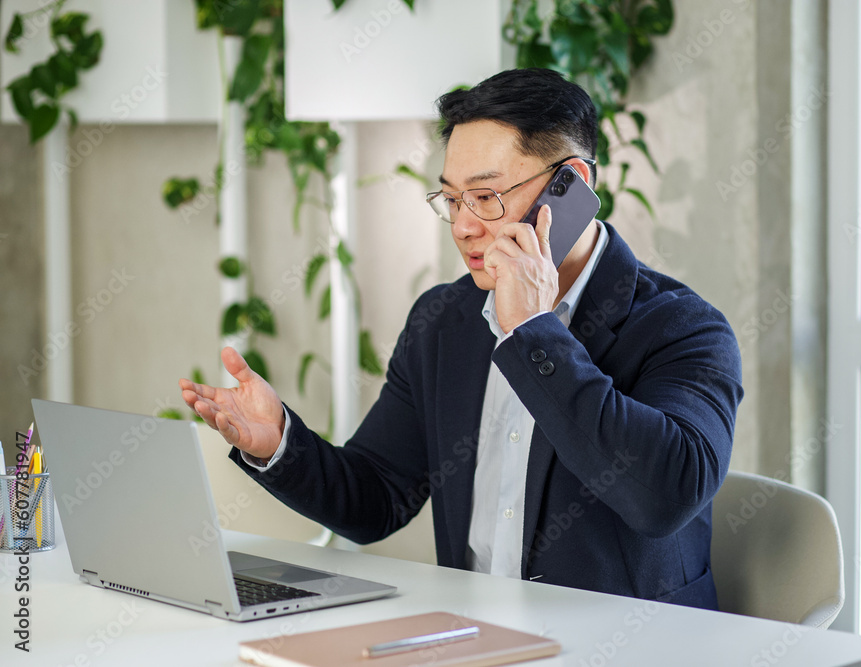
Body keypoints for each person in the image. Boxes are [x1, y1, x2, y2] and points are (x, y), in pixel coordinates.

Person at [180, 68, 743, 610]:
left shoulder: (684, 328)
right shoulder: (444, 320)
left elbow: (664, 496)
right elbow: (377, 496)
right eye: (452, 199)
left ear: (571, 185)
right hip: (476, 643)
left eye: (487, 197)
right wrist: (278, 441)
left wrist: (532, 332)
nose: (465, 226)